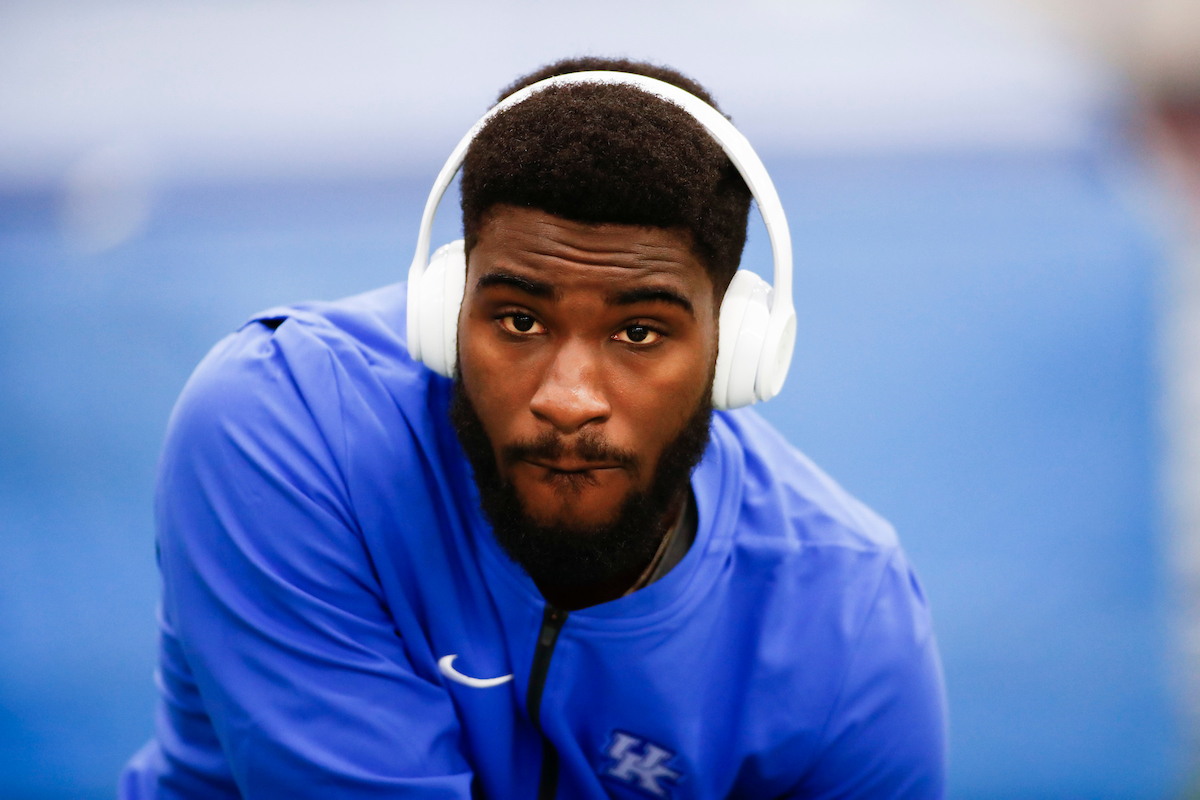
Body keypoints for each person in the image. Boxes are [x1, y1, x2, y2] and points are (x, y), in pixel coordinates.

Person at [120, 57, 946, 799]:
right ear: (445, 316)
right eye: (517, 320)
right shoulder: (288, 426)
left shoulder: (847, 620)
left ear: (737, 353)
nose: (568, 397)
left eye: (639, 332)